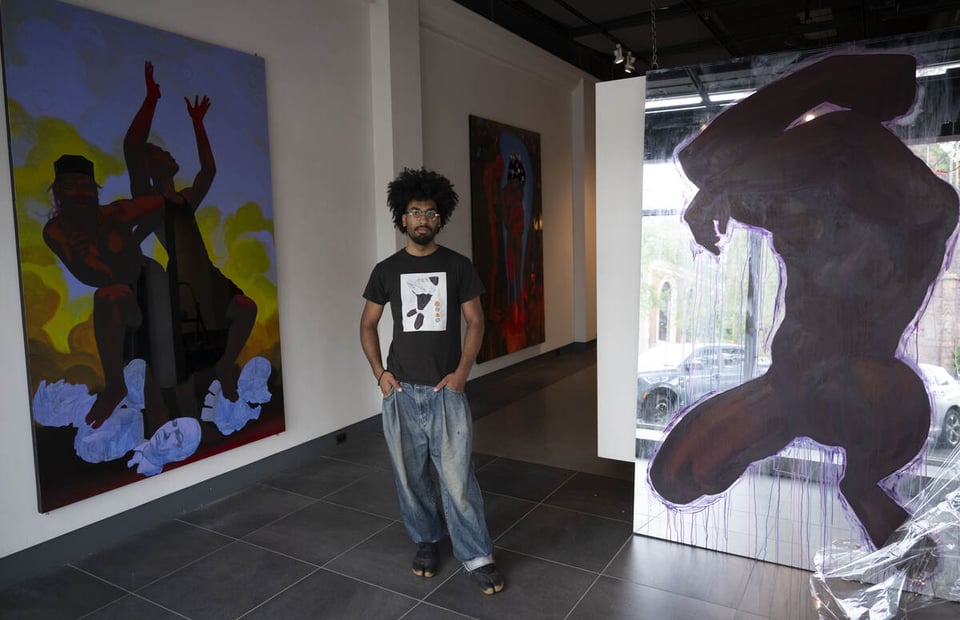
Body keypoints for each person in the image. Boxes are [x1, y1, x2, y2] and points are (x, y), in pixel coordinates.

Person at [648, 53, 959, 549]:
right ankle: (834, 78)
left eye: (702, 425)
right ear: (736, 462)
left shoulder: (790, 378)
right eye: (711, 459)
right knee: (726, 172)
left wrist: (725, 191)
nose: (722, 423)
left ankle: (834, 78)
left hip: (830, 212)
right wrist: (863, 487)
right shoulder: (820, 408)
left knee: (699, 163)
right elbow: (906, 403)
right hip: (900, 224)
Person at [359, 168, 505, 595]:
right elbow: (367, 324)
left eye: (431, 212)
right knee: (410, 478)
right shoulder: (386, 270)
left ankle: (477, 555)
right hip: (401, 392)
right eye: (415, 211)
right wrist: (380, 376)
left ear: (441, 219)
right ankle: (426, 541)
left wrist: (461, 374)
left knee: (458, 480)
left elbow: (475, 323)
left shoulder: (457, 266)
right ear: (402, 218)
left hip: (447, 393)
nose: (423, 218)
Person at [124, 61, 256, 403]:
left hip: (206, 273)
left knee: (244, 307)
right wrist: (151, 99)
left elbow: (208, 170)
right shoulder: (149, 198)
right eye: (159, 153)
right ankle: (192, 404)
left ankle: (225, 365)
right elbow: (133, 145)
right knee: (189, 346)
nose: (167, 152)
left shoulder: (183, 199)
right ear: (152, 166)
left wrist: (198, 124)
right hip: (182, 279)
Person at [43, 154, 167, 430]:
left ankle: (150, 418)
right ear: (58, 191)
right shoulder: (57, 231)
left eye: (86, 186)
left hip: (148, 285)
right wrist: (90, 258)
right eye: (71, 185)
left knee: (148, 363)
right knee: (109, 297)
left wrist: (136, 237)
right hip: (119, 300)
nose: (80, 193)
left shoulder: (115, 214)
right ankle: (117, 388)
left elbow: (159, 204)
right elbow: (95, 277)